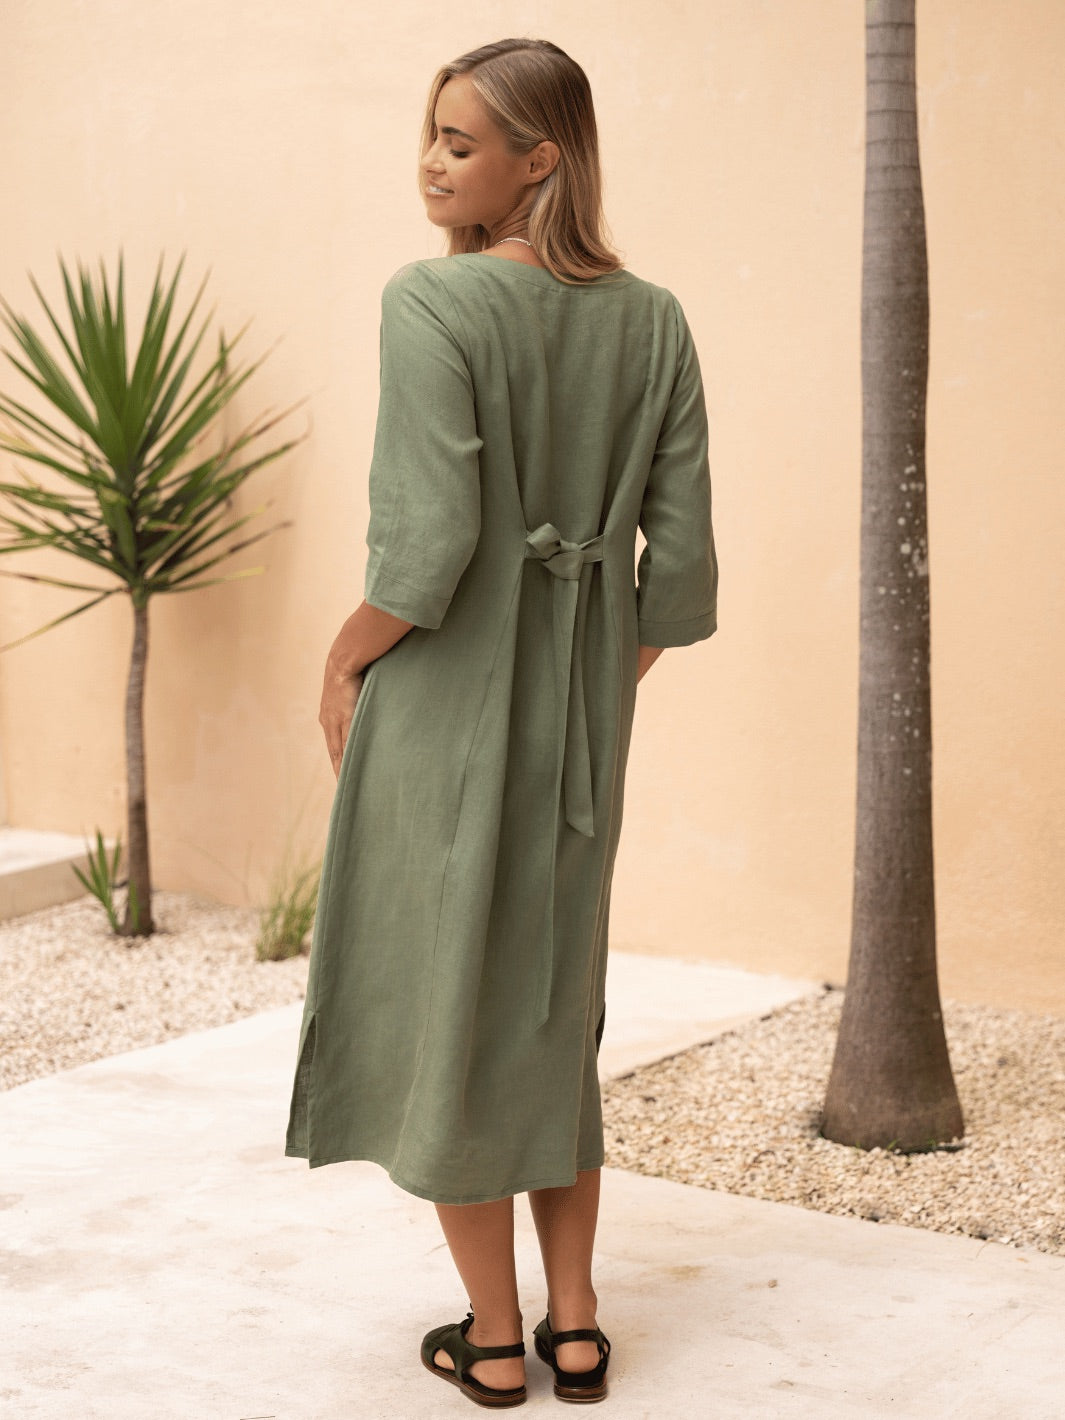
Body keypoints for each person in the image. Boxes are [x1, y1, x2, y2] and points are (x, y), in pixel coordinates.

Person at [285, 37, 718, 1408]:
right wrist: (586, 683)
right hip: (580, 737)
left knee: (446, 1021)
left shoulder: (434, 303)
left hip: (442, 719)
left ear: (542, 159)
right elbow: (682, 572)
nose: (430, 161)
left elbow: (425, 550)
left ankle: (489, 1335)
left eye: (461, 142)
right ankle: (575, 1326)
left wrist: (346, 660)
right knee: (548, 1017)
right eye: (429, 132)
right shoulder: (652, 320)